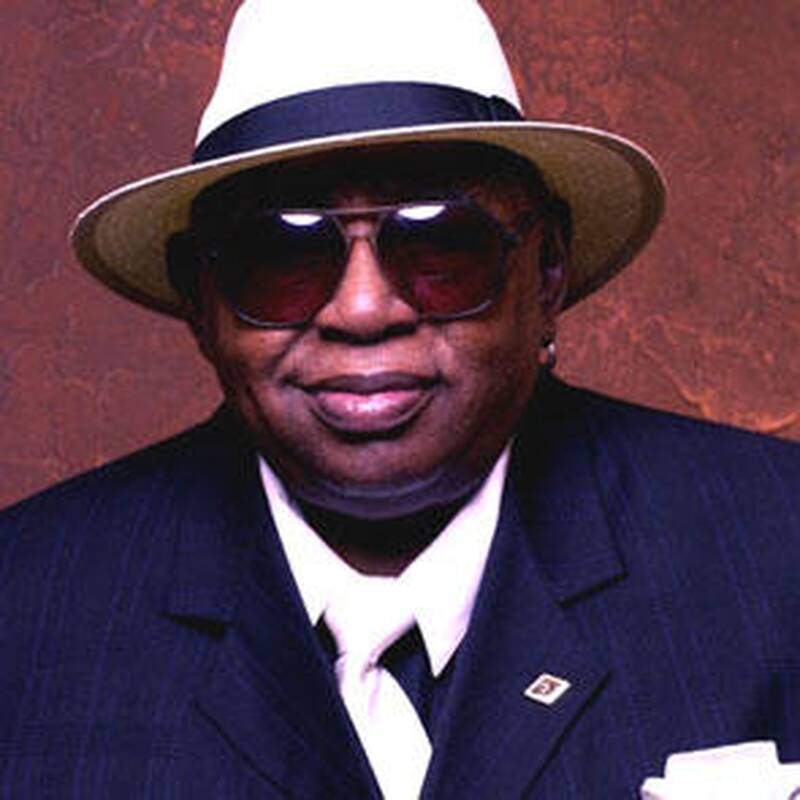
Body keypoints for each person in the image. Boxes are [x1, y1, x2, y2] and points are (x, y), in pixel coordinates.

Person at [1, 1, 799, 798]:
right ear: (199, 301)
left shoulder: (777, 550)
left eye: (440, 242)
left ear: (548, 273)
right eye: (280, 252)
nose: (362, 310)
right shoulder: (24, 610)